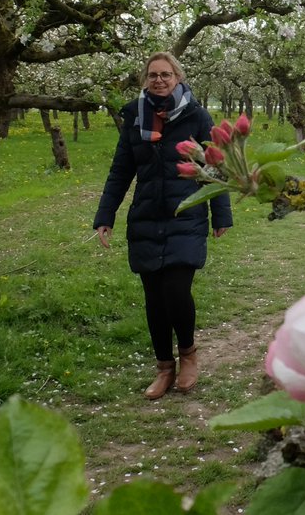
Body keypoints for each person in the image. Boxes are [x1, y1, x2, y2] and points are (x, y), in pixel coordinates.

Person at [93, 51, 232, 400]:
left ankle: (188, 354)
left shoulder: (197, 116)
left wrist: (221, 214)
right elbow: (121, 170)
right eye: (153, 74)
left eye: (166, 74)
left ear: (178, 78)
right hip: (146, 215)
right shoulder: (134, 117)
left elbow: (215, 165)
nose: (159, 80)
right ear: (145, 79)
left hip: (185, 212)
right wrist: (105, 216)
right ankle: (163, 367)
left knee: (176, 290)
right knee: (153, 297)